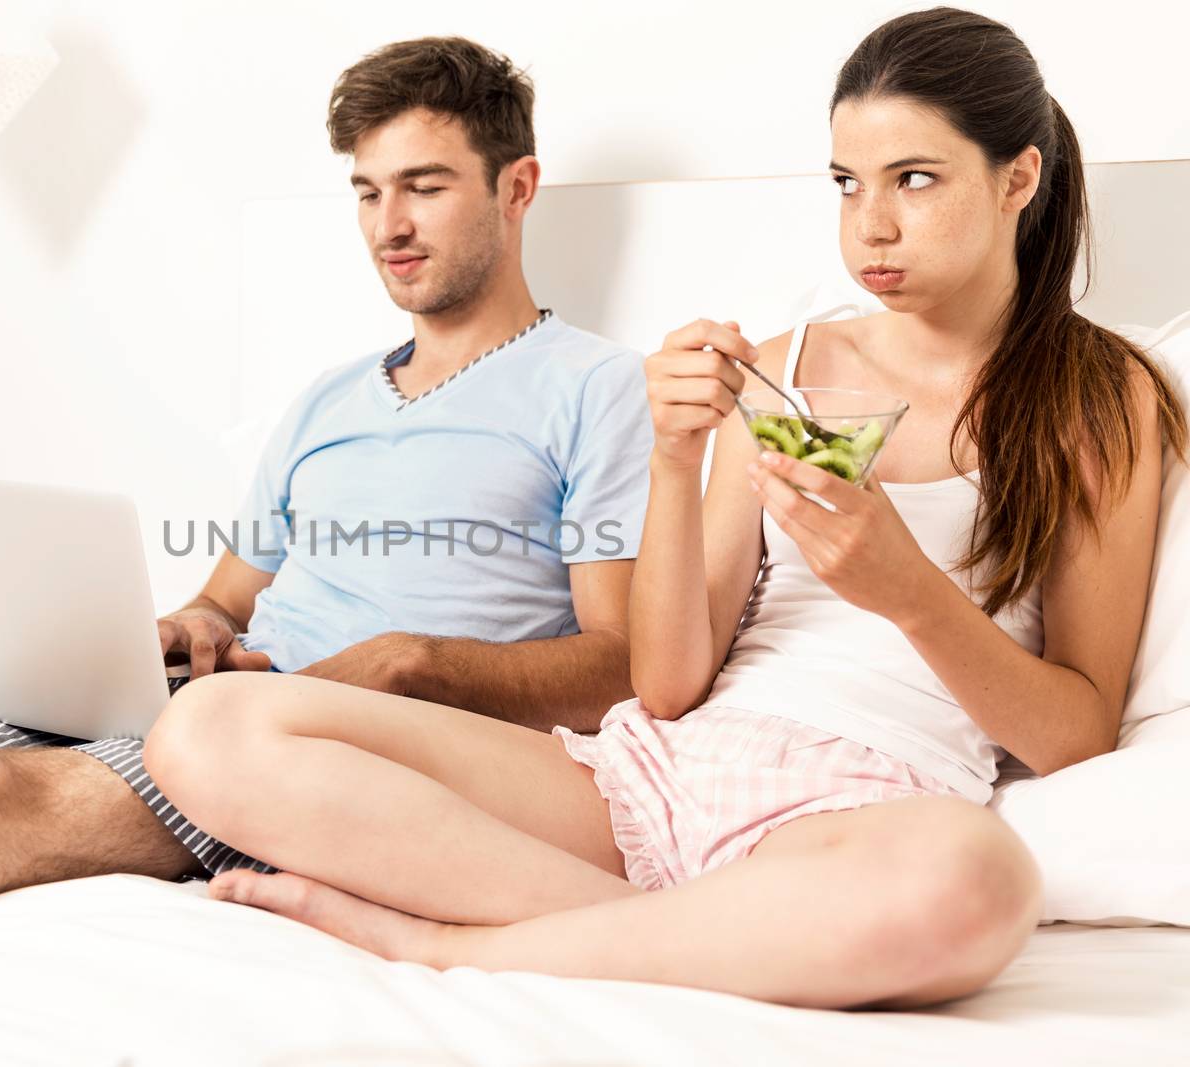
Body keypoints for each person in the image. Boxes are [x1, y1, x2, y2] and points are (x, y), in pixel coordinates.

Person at [143, 7, 1187, 1009]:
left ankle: (454, 941)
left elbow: (1078, 734)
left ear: (1019, 178)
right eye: (845, 183)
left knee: (978, 886)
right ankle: (690, 931)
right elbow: (670, 681)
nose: (870, 225)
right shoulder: (788, 370)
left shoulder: (1098, 402)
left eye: (913, 179)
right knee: (207, 729)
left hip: (861, 805)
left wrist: (908, 592)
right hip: (653, 772)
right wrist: (677, 457)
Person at [0, 37, 651, 959]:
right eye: (367, 192)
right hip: (213, 696)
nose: (389, 225)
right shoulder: (327, 397)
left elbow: (622, 665)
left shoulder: (594, 386)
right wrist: (192, 624)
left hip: (318, 753)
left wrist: (413, 661)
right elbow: (226, 600)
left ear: (516, 189)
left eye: (424, 185)